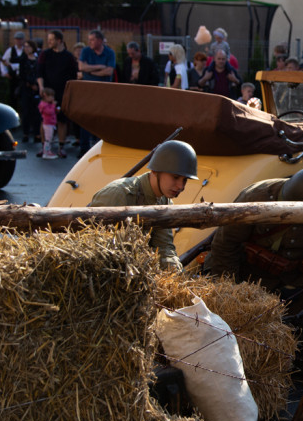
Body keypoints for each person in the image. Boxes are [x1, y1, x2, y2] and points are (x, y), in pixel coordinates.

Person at [203, 168, 303, 313]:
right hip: (249, 270)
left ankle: (299, 326)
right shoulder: (256, 197)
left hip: (297, 271)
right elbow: (224, 245)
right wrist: (232, 293)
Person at [88, 140, 197, 272]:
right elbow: (93, 247)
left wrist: (174, 272)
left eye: (185, 180)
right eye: (175, 177)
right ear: (155, 171)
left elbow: (163, 247)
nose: (181, 186)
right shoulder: (119, 194)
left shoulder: (165, 201)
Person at [36, 30, 79, 158]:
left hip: (62, 93)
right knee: (45, 120)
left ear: (59, 40)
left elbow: (73, 76)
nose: (49, 42)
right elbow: (39, 72)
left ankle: (61, 147)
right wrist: (41, 87)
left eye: (51, 39)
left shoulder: (68, 57)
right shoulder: (45, 54)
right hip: (48, 92)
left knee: (62, 120)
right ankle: (45, 146)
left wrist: (69, 93)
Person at [77, 30, 116, 155]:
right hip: (88, 89)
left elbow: (109, 71)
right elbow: (81, 67)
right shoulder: (86, 51)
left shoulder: (109, 53)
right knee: (86, 117)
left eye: (92, 39)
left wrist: (90, 71)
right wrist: (100, 67)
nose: (89, 42)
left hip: (103, 90)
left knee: (102, 119)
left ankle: (102, 147)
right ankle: (84, 147)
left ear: (100, 40)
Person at [18, 39, 41, 144]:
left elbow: (40, 72)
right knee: (26, 112)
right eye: (25, 46)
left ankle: (37, 134)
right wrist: (30, 84)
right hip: (26, 89)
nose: (26, 48)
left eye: (28, 46)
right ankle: (25, 133)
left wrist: (37, 85)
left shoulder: (38, 59)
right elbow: (22, 75)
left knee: (37, 112)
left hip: (36, 89)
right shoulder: (23, 60)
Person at [0, 31, 27, 108]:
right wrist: (5, 72)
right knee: (12, 96)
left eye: (20, 39)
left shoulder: (25, 49)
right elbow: (3, 61)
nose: (19, 41)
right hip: (13, 77)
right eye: (17, 39)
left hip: (23, 77)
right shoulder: (10, 50)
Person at [38, 87, 60, 160]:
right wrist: (53, 105)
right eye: (51, 96)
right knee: (48, 139)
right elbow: (49, 112)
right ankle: (46, 153)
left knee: (49, 139)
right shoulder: (44, 105)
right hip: (48, 124)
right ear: (45, 96)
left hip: (51, 123)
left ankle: (48, 151)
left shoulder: (48, 104)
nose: (53, 98)